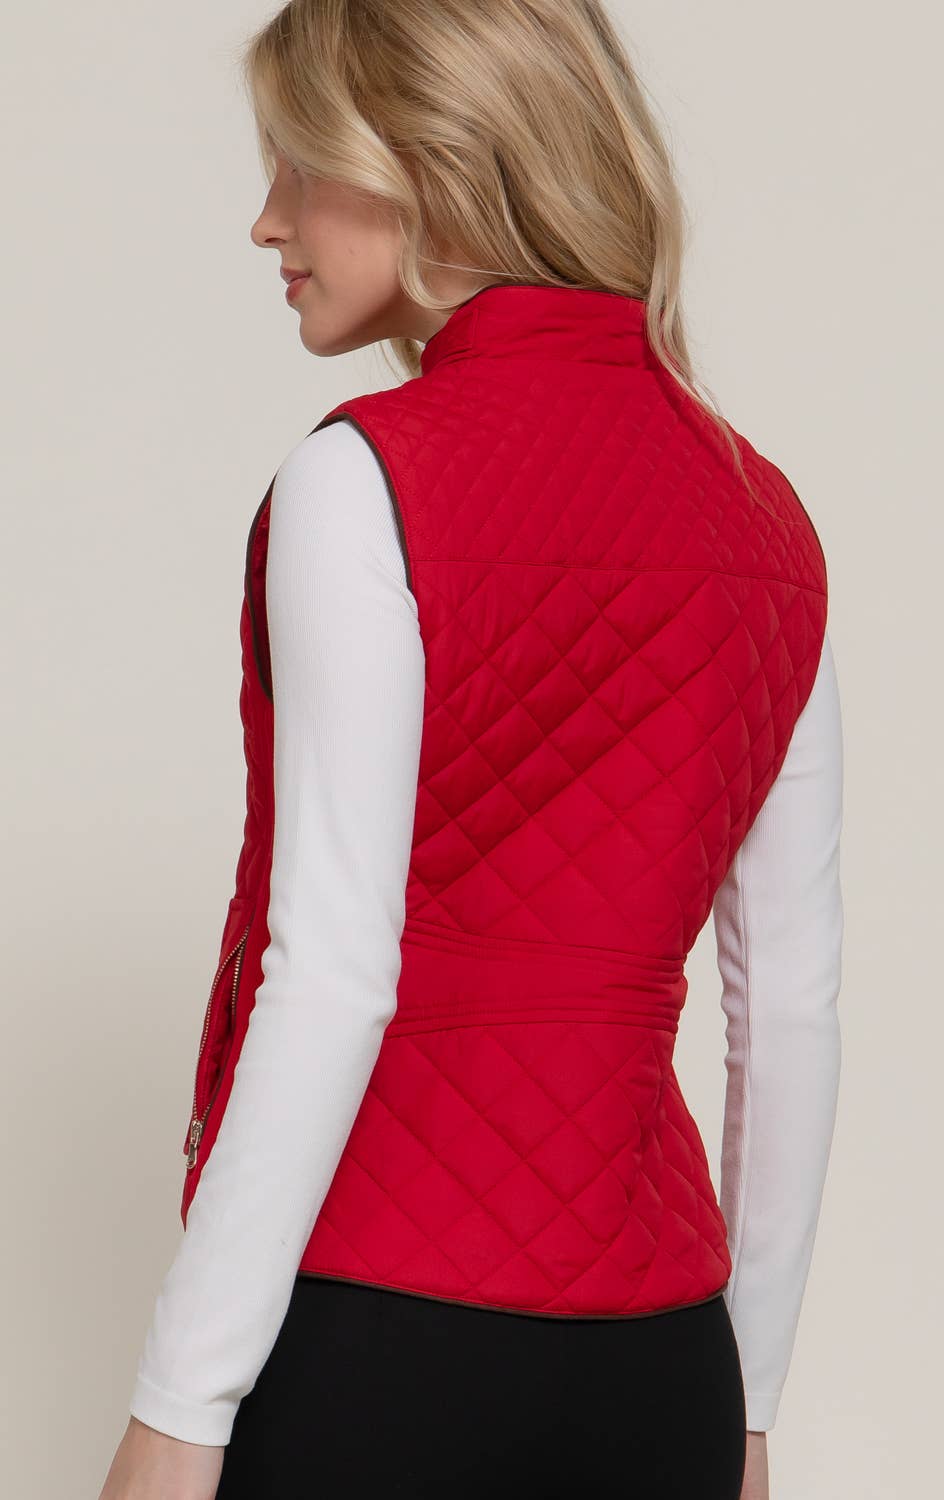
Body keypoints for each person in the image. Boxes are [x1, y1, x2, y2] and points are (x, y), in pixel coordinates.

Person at [99, 3, 843, 1498]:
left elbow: (334, 972)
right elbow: (795, 1006)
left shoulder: (364, 478)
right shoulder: (768, 518)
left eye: (298, 166)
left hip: (382, 1337)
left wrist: (179, 1409)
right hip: (665, 1365)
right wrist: (749, 1400)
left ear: (426, 162)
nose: (268, 221)